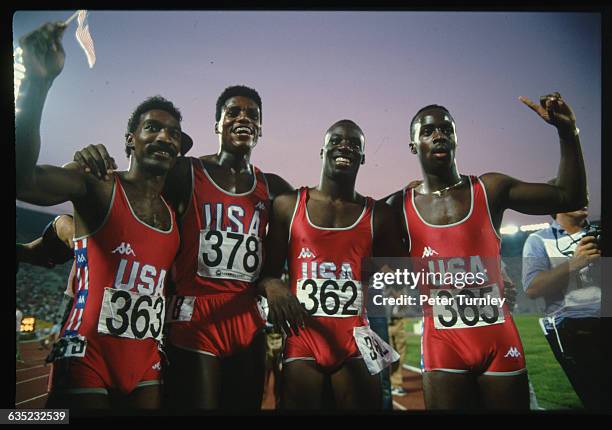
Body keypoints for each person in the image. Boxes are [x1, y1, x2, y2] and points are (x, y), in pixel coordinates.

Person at [74, 85, 294, 411]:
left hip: (247, 318)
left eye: (252, 115)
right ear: (217, 124)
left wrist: (273, 280)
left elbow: (289, 249)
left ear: (260, 129)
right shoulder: (186, 171)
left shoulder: (274, 188)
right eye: (233, 112)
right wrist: (63, 226)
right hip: (194, 314)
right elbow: (132, 199)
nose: (242, 118)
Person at [15, 22, 190, 409]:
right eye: (153, 128)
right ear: (130, 139)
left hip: (145, 361)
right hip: (86, 355)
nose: (164, 137)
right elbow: (22, 180)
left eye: (174, 133)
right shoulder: (98, 185)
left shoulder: (175, 210)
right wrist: (37, 87)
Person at [384, 93, 587, 410]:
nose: (439, 135)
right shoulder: (398, 206)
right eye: (428, 131)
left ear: (455, 139)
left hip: (497, 339)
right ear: (413, 146)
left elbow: (569, 196)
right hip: (442, 344)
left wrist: (567, 132)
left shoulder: (490, 190)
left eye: (446, 129)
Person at [258, 119, 405, 410]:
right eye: (336, 140)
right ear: (322, 149)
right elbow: (266, 275)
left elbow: (402, 274)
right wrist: (273, 284)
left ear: (362, 157)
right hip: (303, 337)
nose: (344, 146)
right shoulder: (289, 205)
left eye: (354, 144)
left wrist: (393, 280)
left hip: (356, 338)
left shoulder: (380, 216)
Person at [522, 198, 602, 410]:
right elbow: (532, 288)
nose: (584, 199)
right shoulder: (538, 240)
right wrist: (574, 264)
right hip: (575, 328)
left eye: (585, 194)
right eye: (575, 194)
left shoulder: (600, 232)